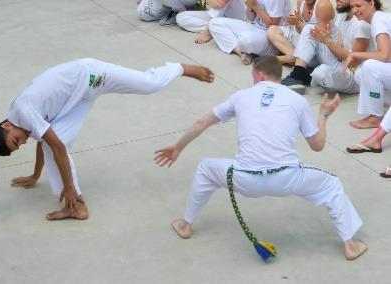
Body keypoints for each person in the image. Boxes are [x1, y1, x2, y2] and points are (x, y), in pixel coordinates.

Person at [154, 56, 367, 260]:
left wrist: (177, 148)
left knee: (205, 168)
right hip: (287, 177)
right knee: (331, 184)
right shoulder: (297, 100)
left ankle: (185, 224)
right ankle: (349, 244)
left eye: (253, 76)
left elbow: (202, 122)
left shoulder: (240, 96)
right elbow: (317, 145)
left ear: (260, 74)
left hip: (244, 178)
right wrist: (323, 115)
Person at [0, 58, 214, 220]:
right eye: (18, 146)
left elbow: (54, 145)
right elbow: (42, 140)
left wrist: (67, 186)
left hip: (91, 76)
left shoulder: (23, 110)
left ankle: (180, 68)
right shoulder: (21, 123)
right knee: (55, 143)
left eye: (16, 140)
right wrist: (35, 175)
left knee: (149, 84)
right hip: (74, 101)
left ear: (6, 125)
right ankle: (76, 206)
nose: (22, 142)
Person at [341, 0, 390, 129]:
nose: (355, 10)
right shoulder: (378, 19)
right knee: (360, 74)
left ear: (372, 3)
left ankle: (375, 118)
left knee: (369, 67)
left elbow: (384, 55)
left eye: (358, 5)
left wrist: (354, 54)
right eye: (352, 7)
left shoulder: (379, 22)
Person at [309, 0, 371, 94]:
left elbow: (354, 61)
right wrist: (326, 39)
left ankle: (309, 74)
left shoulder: (362, 24)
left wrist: (327, 41)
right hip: (342, 63)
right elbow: (339, 50)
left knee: (322, 72)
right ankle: (301, 69)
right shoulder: (342, 16)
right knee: (309, 30)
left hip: (355, 76)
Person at [208, 0, 291, 65]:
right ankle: (241, 52)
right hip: (256, 28)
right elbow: (251, 18)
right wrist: (250, 8)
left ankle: (247, 49)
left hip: (273, 37)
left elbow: (273, 24)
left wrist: (255, 5)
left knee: (245, 39)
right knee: (214, 23)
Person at [280, 0, 337, 93]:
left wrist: (299, 24)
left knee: (309, 28)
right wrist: (296, 24)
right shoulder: (301, 2)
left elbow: (321, 37)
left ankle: (297, 75)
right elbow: (301, 32)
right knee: (273, 31)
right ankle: (302, 73)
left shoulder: (323, 4)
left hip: (330, 51)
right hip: (314, 47)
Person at [267, 0, 318, 65]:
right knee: (272, 30)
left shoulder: (322, 5)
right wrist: (296, 23)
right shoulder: (300, 1)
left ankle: (283, 59)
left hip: (311, 43)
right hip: (299, 35)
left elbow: (317, 36)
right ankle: (293, 57)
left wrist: (298, 24)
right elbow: (299, 28)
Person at [176, 0, 246, 44]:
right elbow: (213, 3)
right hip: (219, 14)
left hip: (241, 17)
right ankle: (218, 28)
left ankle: (209, 30)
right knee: (181, 17)